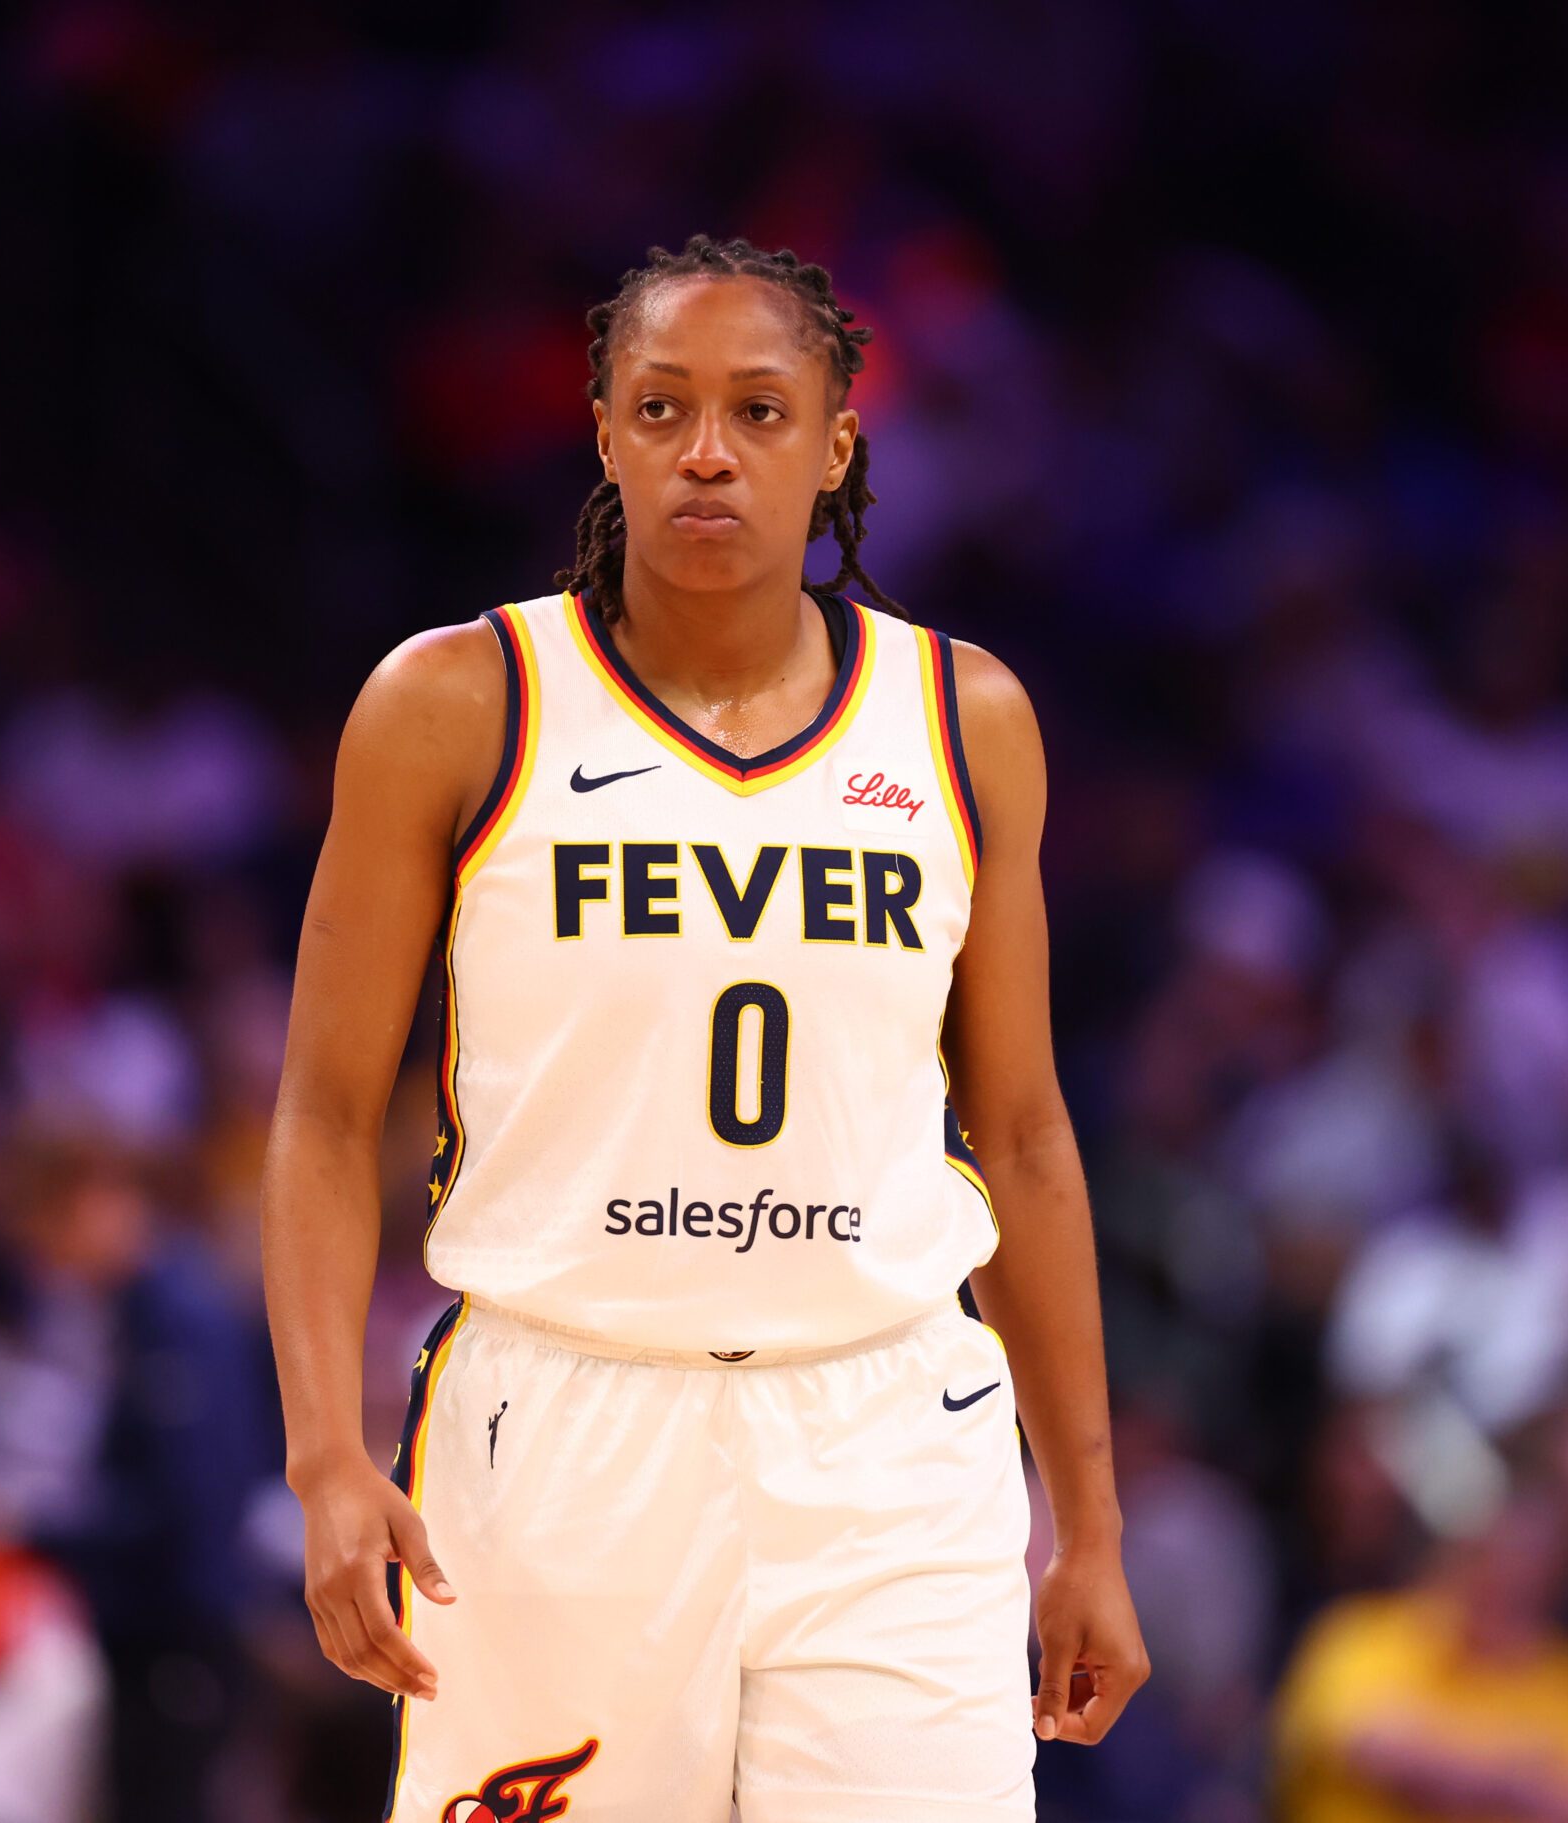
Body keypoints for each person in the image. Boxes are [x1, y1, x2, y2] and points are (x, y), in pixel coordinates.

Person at [262, 235, 1147, 1820]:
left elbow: (1019, 1133)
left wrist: (1088, 1518)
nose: (708, 451)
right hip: (562, 1421)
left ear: (836, 442)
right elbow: (326, 1113)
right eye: (660, 409)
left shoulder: (963, 719)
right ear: (602, 432)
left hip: (890, 1425)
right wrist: (329, 1453)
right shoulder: (457, 701)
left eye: (757, 408)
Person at [0, 1124, 271, 1823]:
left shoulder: (179, 1319)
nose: (42, 1255)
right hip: (147, 1633)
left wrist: (35, 1531)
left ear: (94, 1202)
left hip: (182, 1634)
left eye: (44, 1225)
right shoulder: (133, 1313)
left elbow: (185, 1507)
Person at [1272, 1489, 1568, 1823]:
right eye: (1488, 1558)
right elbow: (1370, 1746)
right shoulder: (1361, 1635)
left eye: (1527, 1567)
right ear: (1450, 1556)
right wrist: (1519, 1778)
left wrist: (1443, 1765)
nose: (1504, 1580)